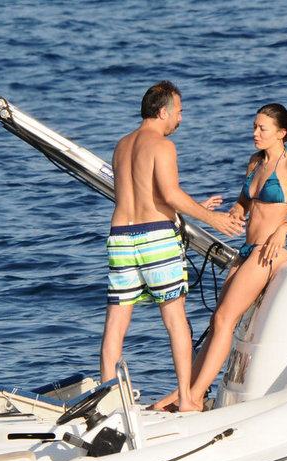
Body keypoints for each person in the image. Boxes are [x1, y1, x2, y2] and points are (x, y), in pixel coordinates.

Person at [151, 102, 287, 411]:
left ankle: (194, 398)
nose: (255, 133)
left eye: (262, 129)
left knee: (225, 318)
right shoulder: (255, 162)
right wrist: (235, 213)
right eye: (254, 127)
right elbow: (244, 203)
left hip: (269, 251)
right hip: (247, 250)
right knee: (216, 321)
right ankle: (184, 393)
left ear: (281, 133)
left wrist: (283, 229)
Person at [100, 80, 244, 412]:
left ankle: (108, 404)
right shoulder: (163, 146)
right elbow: (169, 194)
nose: (180, 118)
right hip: (156, 238)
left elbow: (144, 195)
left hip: (121, 237)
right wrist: (213, 219)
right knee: (176, 320)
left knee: (115, 326)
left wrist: (192, 207)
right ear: (163, 112)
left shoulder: (121, 146)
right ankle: (188, 399)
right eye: (178, 111)